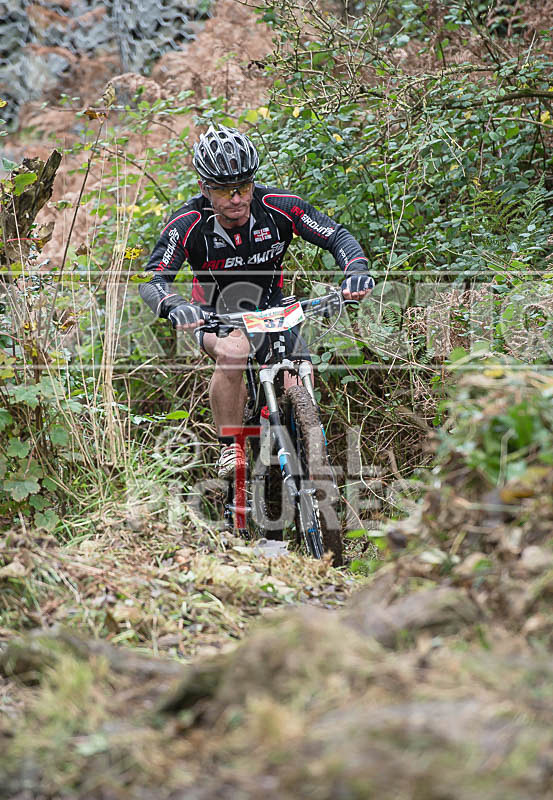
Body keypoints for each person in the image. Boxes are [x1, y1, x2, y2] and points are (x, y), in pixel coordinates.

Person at [139, 124, 374, 478]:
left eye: (244, 187)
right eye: (224, 190)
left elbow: (335, 235)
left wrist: (355, 270)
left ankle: (308, 441)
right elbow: (153, 277)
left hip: (272, 307)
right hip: (215, 313)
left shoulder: (278, 207)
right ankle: (230, 446)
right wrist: (174, 306)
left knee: (297, 370)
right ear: (204, 187)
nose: (236, 199)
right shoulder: (187, 223)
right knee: (233, 355)